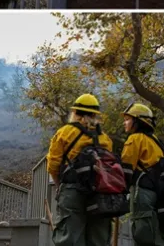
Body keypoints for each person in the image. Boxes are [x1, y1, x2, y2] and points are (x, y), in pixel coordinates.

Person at [46, 94, 113, 246]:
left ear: (75, 113)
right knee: (99, 238)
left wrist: (59, 186)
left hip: (72, 191)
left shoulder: (64, 132)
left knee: (70, 238)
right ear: (95, 115)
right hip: (100, 194)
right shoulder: (105, 139)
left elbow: (53, 164)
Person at [121, 103, 164, 246]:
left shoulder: (135, 139)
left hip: (143, 193)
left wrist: (119, 192)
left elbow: (126, 169)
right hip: (159, 193)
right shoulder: (156, 141)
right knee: (156, 232)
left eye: (128, 119)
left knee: (143, 234)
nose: (124, 122)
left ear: (138, 121)